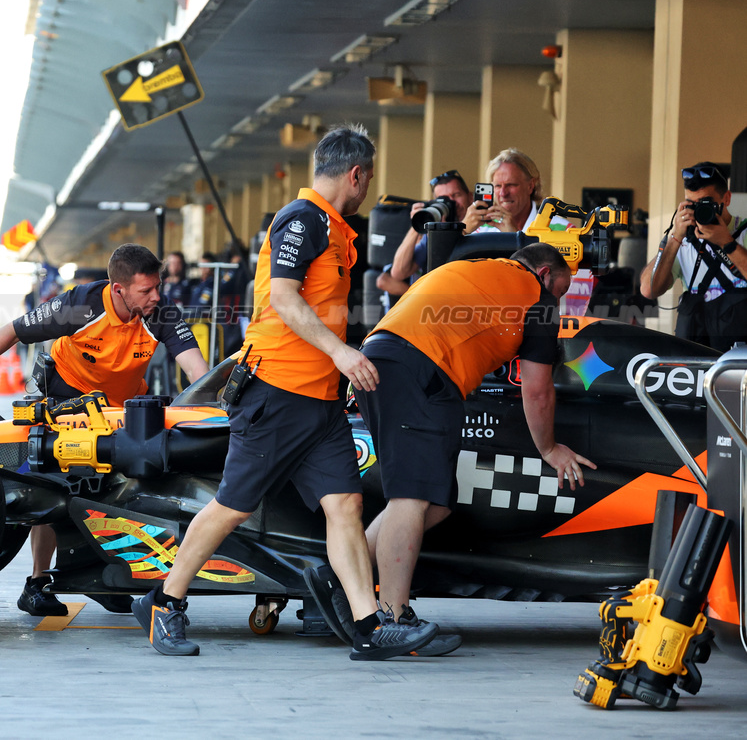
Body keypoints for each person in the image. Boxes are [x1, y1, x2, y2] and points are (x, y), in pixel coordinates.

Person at [130, 124, 437, 660]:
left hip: (319, 401)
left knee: (345, 505)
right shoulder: (303, 219)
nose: (366, 189)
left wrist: (338, 369)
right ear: (356, 174)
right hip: (276, 392)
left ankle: (369, 625)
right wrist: (343, 353)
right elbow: (286, 300)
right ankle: (164, 602)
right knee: (233, 507)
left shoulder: (337, 228)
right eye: (367, 179)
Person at [0, 243, 209, 617]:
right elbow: (12, 331)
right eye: (146, 290)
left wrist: (213, 408)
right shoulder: (80, 305)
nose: (156, 296)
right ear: (118, 288)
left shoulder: (161, 313)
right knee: (56, 488)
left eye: (158, 287)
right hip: (66, 396)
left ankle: (106, 575)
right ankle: (37, 584)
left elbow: (197, 372)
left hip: (118, 407)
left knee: (121, 488)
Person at [355, 243, 595, 646]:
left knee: (437, 501)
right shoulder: (537, 298)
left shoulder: (480, 268)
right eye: (560, 289)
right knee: (411, 498)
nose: (559, 300)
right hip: (421, 371)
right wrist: (550, 449)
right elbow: (537, 391)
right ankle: (393, 619)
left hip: (381, 361)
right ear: (544, 275)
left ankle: (340, 581)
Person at [640, 162, 747, 351]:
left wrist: (727, 243)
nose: (700, 210)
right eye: (692, 204)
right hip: (695, 358)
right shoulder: (682, 240)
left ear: (727, 198)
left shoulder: (744, 232)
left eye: (707, 202)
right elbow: (649, 290)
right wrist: (675, 238)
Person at [384, 170, 479, 287]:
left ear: (470, 197)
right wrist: (418, 223)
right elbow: (398, 273)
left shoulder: (485, 227)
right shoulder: (432, 233)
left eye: (456, 195)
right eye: (443, 199)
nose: (451, 203)